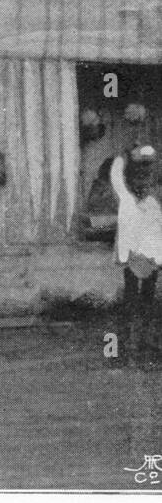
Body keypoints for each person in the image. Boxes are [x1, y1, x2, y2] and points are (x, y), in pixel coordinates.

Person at [110, 144, 162, 365]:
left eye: (146, 181)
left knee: (148, 302)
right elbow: (116, 176)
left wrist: (158, 259)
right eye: (138, 181)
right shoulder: (127, 200)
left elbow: (158, 232)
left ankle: (146, 344)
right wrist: (122, 157)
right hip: (133, 258)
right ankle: (128, 346)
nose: (142, 186)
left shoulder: (154, 203)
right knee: (132, 301)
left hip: (150, 258)